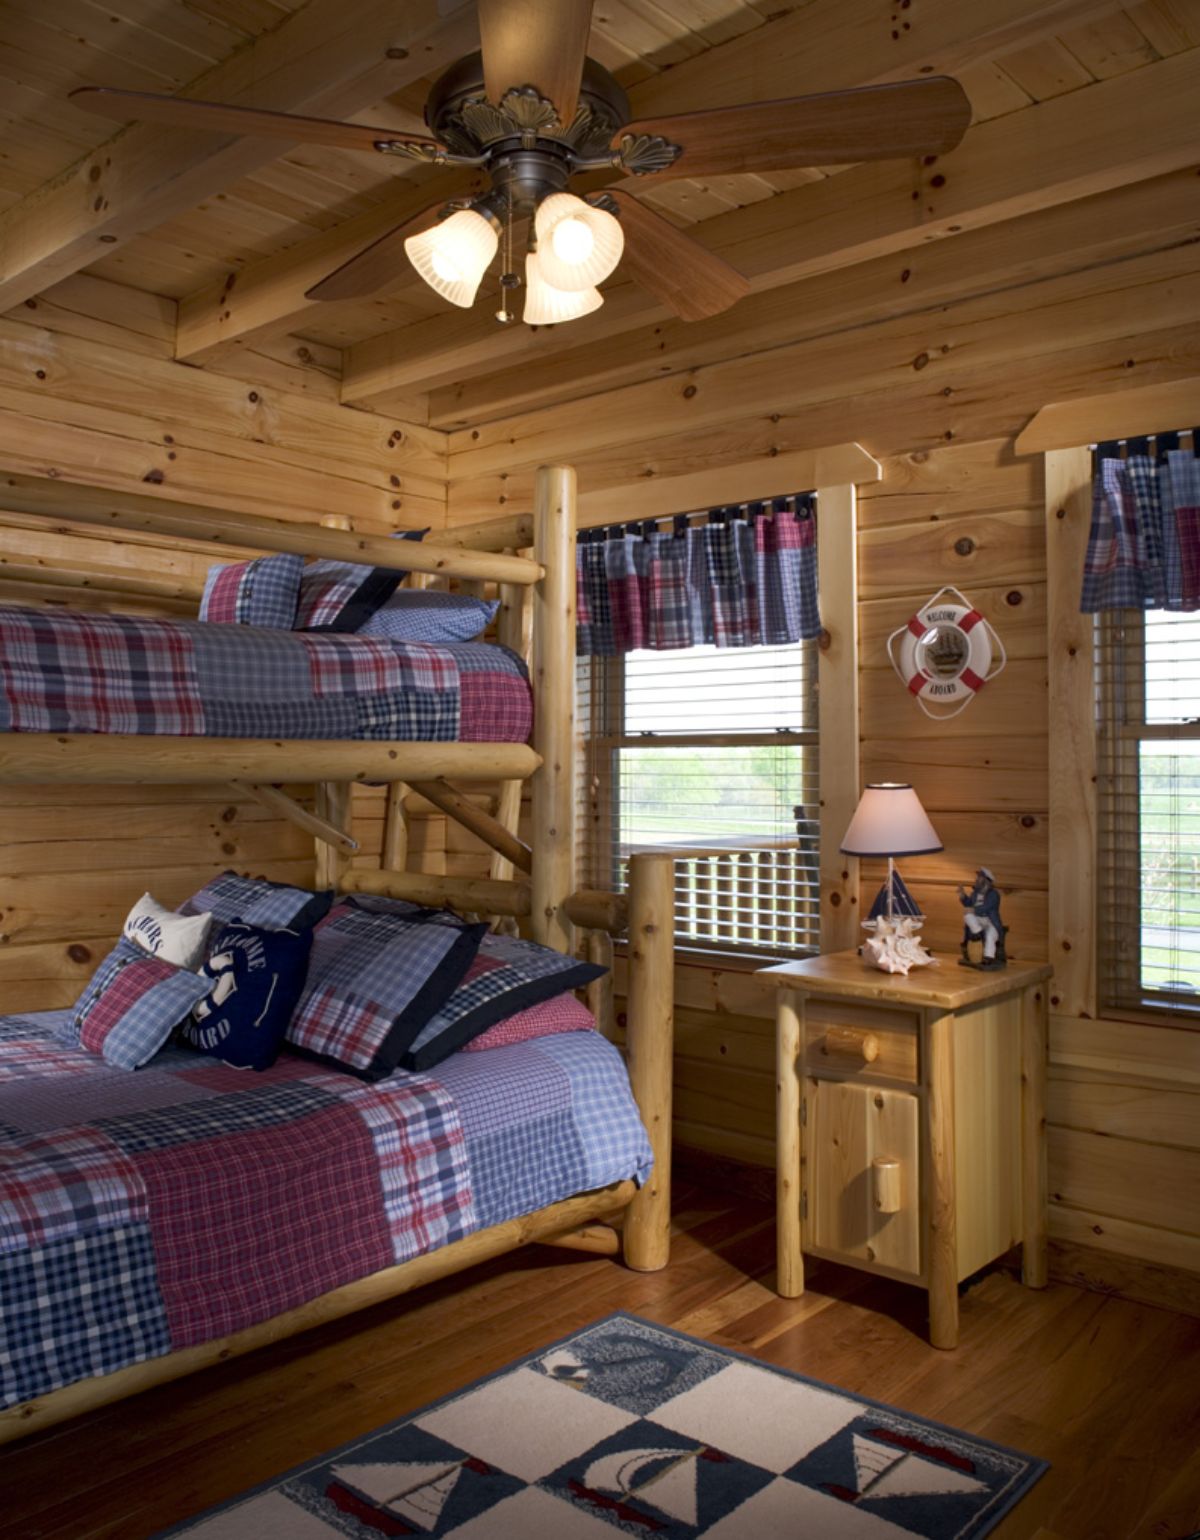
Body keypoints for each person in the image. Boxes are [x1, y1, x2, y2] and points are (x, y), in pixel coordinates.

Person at [958, 867, 1005, 968]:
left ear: (986, 880)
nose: (976, 879)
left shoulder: (994, 894)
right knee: (967, 915)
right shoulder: (975, 893)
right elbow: (969, 904)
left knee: (990, 935)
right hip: (978, 920)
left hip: (990, 921)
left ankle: (988, 957)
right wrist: (962, 896)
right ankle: (977, 932)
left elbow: (987, 906)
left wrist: (973, 910)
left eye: (979, 877)